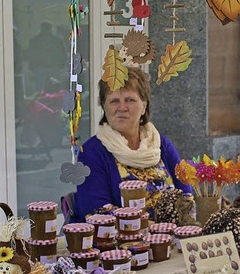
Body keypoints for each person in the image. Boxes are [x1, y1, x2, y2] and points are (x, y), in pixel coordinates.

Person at [73, 67, 192, 221]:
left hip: (171, 238)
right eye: (114, 101)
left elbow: (186, 193)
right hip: (120, 242)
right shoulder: (91, 152)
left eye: (130, 100)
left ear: (144, 105)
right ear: (104, 107)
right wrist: (147, 227)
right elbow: (97, 210)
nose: (122, 108)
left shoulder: (161, 145)